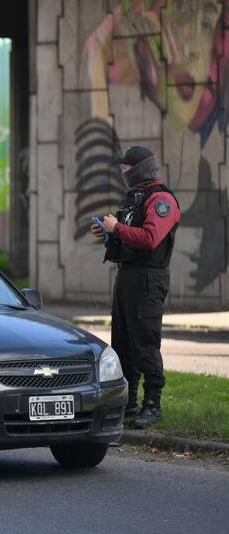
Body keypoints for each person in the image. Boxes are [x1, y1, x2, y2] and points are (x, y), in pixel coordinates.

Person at [91, 146, 180, 429]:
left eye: (127, 167)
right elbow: (127, 241)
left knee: (145, 343)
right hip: (127, 276)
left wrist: (117, 228)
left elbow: (151, 237)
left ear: (141, 168)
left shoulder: (161, 199)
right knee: (123, 344)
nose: (123, 171)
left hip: (148, 280)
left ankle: (152, 404)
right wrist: (108, 234)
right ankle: (128, 403)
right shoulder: (134, 199)